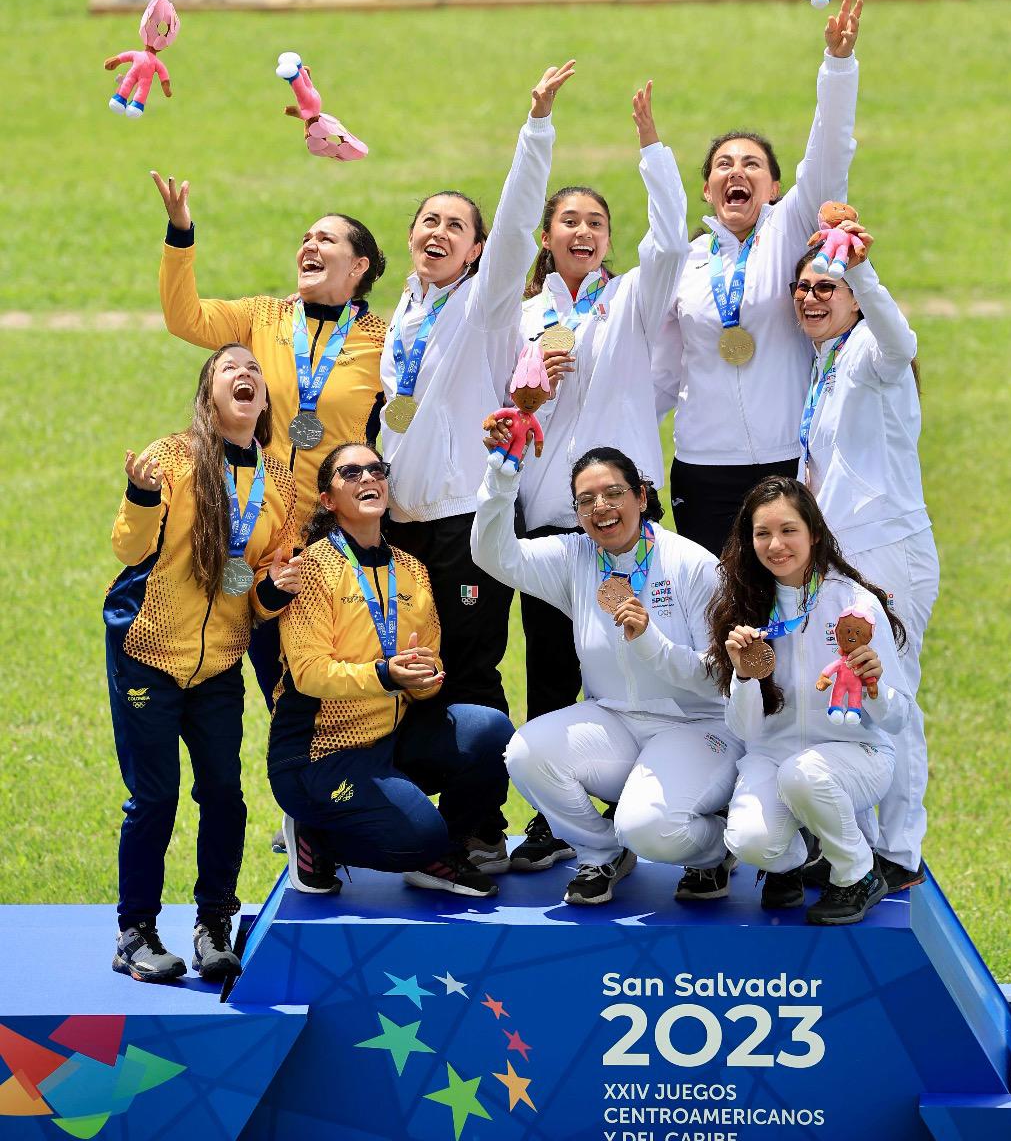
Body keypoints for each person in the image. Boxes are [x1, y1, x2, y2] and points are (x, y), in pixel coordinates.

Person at [380, 59, 575, 873]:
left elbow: (522, 218)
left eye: (453, 226)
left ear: (478, 249)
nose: (436, 232)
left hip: (464, 525)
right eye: (427, 220)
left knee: (469, 674)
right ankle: (404, 822)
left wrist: (536, 127)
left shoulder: (487, 304)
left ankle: (478, 826)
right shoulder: (405, 310)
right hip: (398, 530)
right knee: (406, 673)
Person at [499, 81, 689, 873]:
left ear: (608, 240)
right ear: (547, 236)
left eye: (595, 223)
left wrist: (651, 147)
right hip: (550, 516)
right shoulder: (519, 314)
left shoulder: (631, 300)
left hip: (625, 519)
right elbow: (500, 409)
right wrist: (527, 394)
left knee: (642, 659)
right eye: (569, 220)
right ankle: (559, 817)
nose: (583, 230)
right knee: (551, 669)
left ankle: (658, 794)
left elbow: (670, 244)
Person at [151, 173, 387, 710]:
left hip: (336, 542)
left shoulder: (383, 341)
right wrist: (181, 233)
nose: (309, 245)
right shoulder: (263, 317)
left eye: (326, 239)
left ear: (358, 267)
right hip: (262, 540)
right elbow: (184, 317)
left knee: (334, 694)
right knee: (279, 695)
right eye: (306, 238)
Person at [105, 344, 300, 983]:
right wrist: (140, 496)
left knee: (224, 795)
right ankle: (135, 934)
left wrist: (276, 589)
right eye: (228, 368)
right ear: (208, 392)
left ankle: (214, 923)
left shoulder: (280, 483)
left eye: (254, 370)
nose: (244, 375)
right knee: (155, 796)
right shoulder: (172, 458)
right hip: (147, 652)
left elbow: (260, 594)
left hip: (218, 663)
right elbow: (128, 548)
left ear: (264, 400)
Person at [471, 446, 739, 907]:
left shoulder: (691, 564)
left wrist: (651, 643)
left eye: (614, 493)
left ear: (641, 496)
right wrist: (501, 475)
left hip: (697, 727)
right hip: (615, 719)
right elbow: (493, 554)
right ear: (576, 514)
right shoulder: (575, 556)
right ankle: (601, 852)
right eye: (586, 500)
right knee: (526, 752)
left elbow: (717, 676)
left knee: (648, 827)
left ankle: (717, 847)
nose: (601, 507)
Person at [652, 0, 863, 558]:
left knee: (790, 592)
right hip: (702, 465)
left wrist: (838, 66)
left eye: (752, 165)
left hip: (785, 458)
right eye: (723, 164)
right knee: (714, 599)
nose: (736, 172)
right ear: (707, 189)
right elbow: (661, 373)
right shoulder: (685, 263)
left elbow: (827, 155)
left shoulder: (790, 231)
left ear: (774, 188)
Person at [269, 444, 514, 900]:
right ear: (328, 500)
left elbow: (431, 659)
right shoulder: (312, 569)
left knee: (491, 730)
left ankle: (445, 852)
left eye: (376, 470)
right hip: (320, 751)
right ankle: (315, 832)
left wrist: (425, 678)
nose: (368, 478)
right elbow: (309, 674)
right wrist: (385, 674)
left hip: (393, 737)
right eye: (351, 473)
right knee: (418, 837)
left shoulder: (412, 569)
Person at [791, 223, 939, 892]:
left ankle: (900, 851)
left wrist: (861, 269)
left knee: (892, 697)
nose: (810, 297)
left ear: (853, 299)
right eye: (802, 287)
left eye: (826, 287)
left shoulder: (874, 356)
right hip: (844, 559)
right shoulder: (824, 363)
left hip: (887, 551)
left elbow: (902, 340)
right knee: (853, 697)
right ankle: (865, 844)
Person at [709, 476, 913, 925]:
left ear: (814, 533)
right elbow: (744, 730)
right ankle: (798, 857)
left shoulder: (855, 606)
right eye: (762, 533)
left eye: (789, 530)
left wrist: (875, 689)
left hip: (856, 756)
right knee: (749, 843)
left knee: (803, 776)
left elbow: (898, 720)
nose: (775, 545)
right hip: (772, 755)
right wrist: (743, 676)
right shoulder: (743, 607)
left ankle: (857, 873)